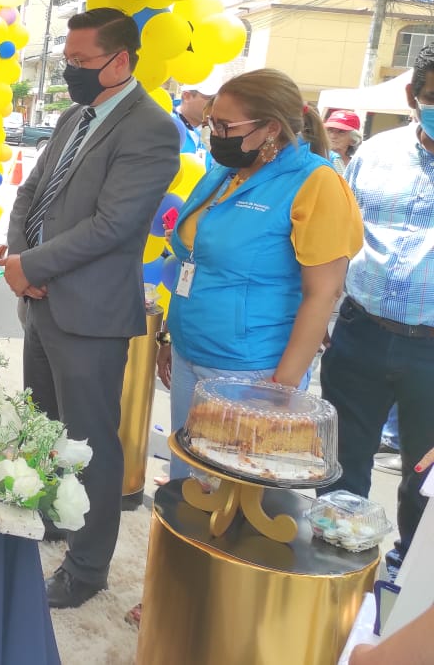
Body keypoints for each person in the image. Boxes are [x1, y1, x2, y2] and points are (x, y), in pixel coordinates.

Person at [0, 7, 180, 609]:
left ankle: (87, 567)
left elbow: (114, 225)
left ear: (120, 60)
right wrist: (21, 260)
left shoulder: (150, 128)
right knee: (46, 426)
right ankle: (55, 515)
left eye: (81, 61)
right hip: (42, 302)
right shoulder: (74, 117)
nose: (70, 71)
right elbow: (31, 193)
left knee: (91, 443)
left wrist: (34, 267)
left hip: (91, 313)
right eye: (67, 60)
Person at [157, 70, 363, 481]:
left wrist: (281, 387)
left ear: (271, 128)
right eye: (212, 123)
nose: (214, 134)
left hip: (251, 372)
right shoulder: (226, 171)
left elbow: (323, 294)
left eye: (225, 126)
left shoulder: (316, 183)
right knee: (188, 482)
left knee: (235, 495)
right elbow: (192, 258)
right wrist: (169, 334)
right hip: (190, 352)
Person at [320, 45, 434, 581]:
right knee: (341, 464)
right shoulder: (374, 153)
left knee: (424, 479)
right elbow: (342, 235)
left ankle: (407, 582)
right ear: (414, 96)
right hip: (360, 332)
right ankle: (337, 573)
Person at [325, 108, 362, 175]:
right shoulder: (314, 159)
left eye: (341, 132)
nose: (333, 136)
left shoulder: (357, 166)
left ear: (353, 140)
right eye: (330, 130)